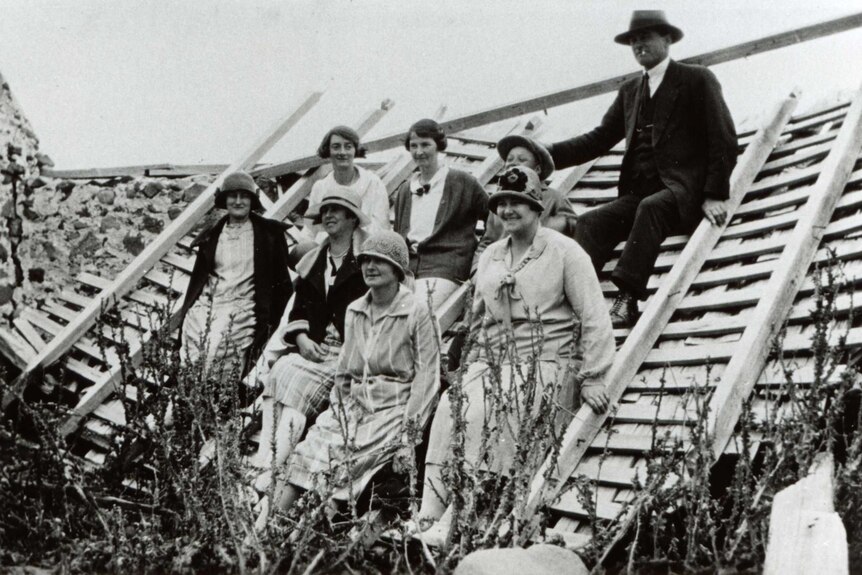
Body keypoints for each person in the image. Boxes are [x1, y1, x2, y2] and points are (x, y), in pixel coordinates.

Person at [414, 166, 615, 540]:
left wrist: (594, 376)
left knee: (489, 411)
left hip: (545, 364)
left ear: (537, 207)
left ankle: (461, 514)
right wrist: (468, 364)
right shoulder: (491, 254)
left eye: (518, 203)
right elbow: (477, 318)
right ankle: (431, 509)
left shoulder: (564, 252)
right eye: (502, 203)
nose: (508, 210)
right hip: (492, 362)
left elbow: (594, 315)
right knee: (450, 405)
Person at [547, 10, 737, 327]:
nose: (638, 45)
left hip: (681, 192)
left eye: (645, 37)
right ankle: (575, 302)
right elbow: (598, 139)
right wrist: (545, 155)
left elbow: (724, 138)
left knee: (651, 207)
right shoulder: (630, 92)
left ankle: (628, 299)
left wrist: (714, 194)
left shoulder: (696, 79)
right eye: (633, 40)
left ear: (667, 39)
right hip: (638, 193)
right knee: (592, 221)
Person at [257, 231, 440, 527]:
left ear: (397, 270)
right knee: (306, 453)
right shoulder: (356, 310)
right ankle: (259, 533)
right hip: (353, 407)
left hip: (392, 410)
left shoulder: (417, 312)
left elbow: (427, 377)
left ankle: (301, 539)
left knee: (342, 464)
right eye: (366, 260)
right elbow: (345, 370)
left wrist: (409, 436)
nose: (370, 267)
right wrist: (338, 410)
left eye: (380, 262)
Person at [250, 188, 370, 491]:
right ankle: (264, 459)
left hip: (349, 353)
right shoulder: (316, 258)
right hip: (315, 347)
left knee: (298, 386)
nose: (328, 216)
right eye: (325, 211)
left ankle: (271, 470)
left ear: (352, 219)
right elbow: (299, 307)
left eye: (336, 211)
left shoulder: (366, 260)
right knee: (282, 368)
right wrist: (301, 339)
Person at [179, 171, 292, 377]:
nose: (238, 201)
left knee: (215, 349)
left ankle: (216, 401)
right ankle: (190, 400)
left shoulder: (269, 235)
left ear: (252, 199)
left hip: (243, 306)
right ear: (224, 199)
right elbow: (199, 279)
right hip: (210, 302)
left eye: (244, 196)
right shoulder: (213, 234)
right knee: (193, 349)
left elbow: (282, 285)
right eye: (233, 196)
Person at [392, 118, 489, 311]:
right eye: (414, 146)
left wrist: (481, 253)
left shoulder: (463, 182)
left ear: (439, 146)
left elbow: (495, 218)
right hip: (408, 271)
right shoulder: (405, 190)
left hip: (446, 267)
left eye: (426, 144)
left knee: (417, 311)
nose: (419, 152)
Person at [478, 134, 578, 252]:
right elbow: (488, 241)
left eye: (521, 160)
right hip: (500, 264)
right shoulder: (499, 201)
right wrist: (477, 268)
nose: (512, 163)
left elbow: (574, 232)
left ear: (537, 170)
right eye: (509, 159)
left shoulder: (554, 198)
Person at [304, 125, 390, 242]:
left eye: (348, 147)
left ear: (355, 150)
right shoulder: (320, 187)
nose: (342, 152)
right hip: (327, 249)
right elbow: (310, 230)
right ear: (328, 151)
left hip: (365, 249)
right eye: (336, 147)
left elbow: (381, 227)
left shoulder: (373, 183)